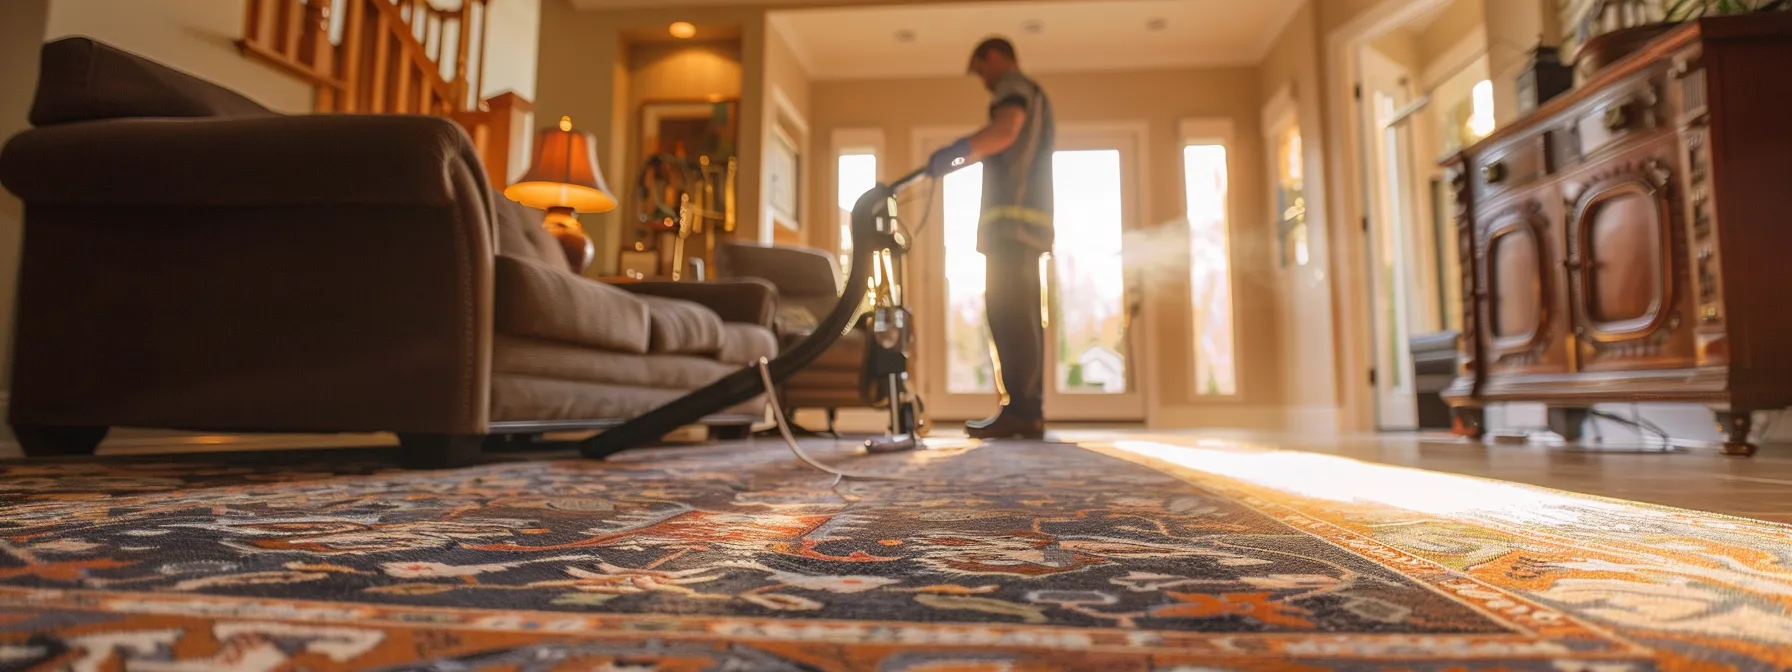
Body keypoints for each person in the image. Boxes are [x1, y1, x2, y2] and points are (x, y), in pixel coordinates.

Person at [926, 37, 1055, 440]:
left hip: (1010, 226)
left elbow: (1005, 130)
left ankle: (1020, 410)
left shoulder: (1013, 86)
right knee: (1023, 315)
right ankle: (1027, 410)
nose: (983, 81)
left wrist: (958, 152)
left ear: (994, 58)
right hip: (1028, 226)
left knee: (1008, 312)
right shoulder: (1036, 93)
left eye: (981, 70)